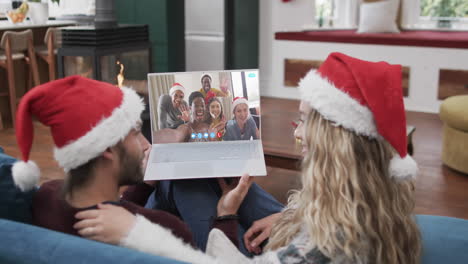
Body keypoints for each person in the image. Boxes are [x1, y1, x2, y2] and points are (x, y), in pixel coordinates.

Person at [74, 52, 422, 263]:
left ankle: (149, 197)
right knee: (196, 176)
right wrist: (292, 217)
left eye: (302, 121)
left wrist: (223, 217)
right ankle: (155, 191)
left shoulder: (330, 244)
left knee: (184, 183)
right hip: (292, 229)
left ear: (336, 142)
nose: (296, 132)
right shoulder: (369, 197)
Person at [10, 76, 243, 252]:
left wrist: (146, 183)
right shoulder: (164, 230)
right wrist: (226, 216)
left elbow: (105, 207)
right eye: (136, 134)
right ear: (108, 149)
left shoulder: (46, 197)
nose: (145, 144)